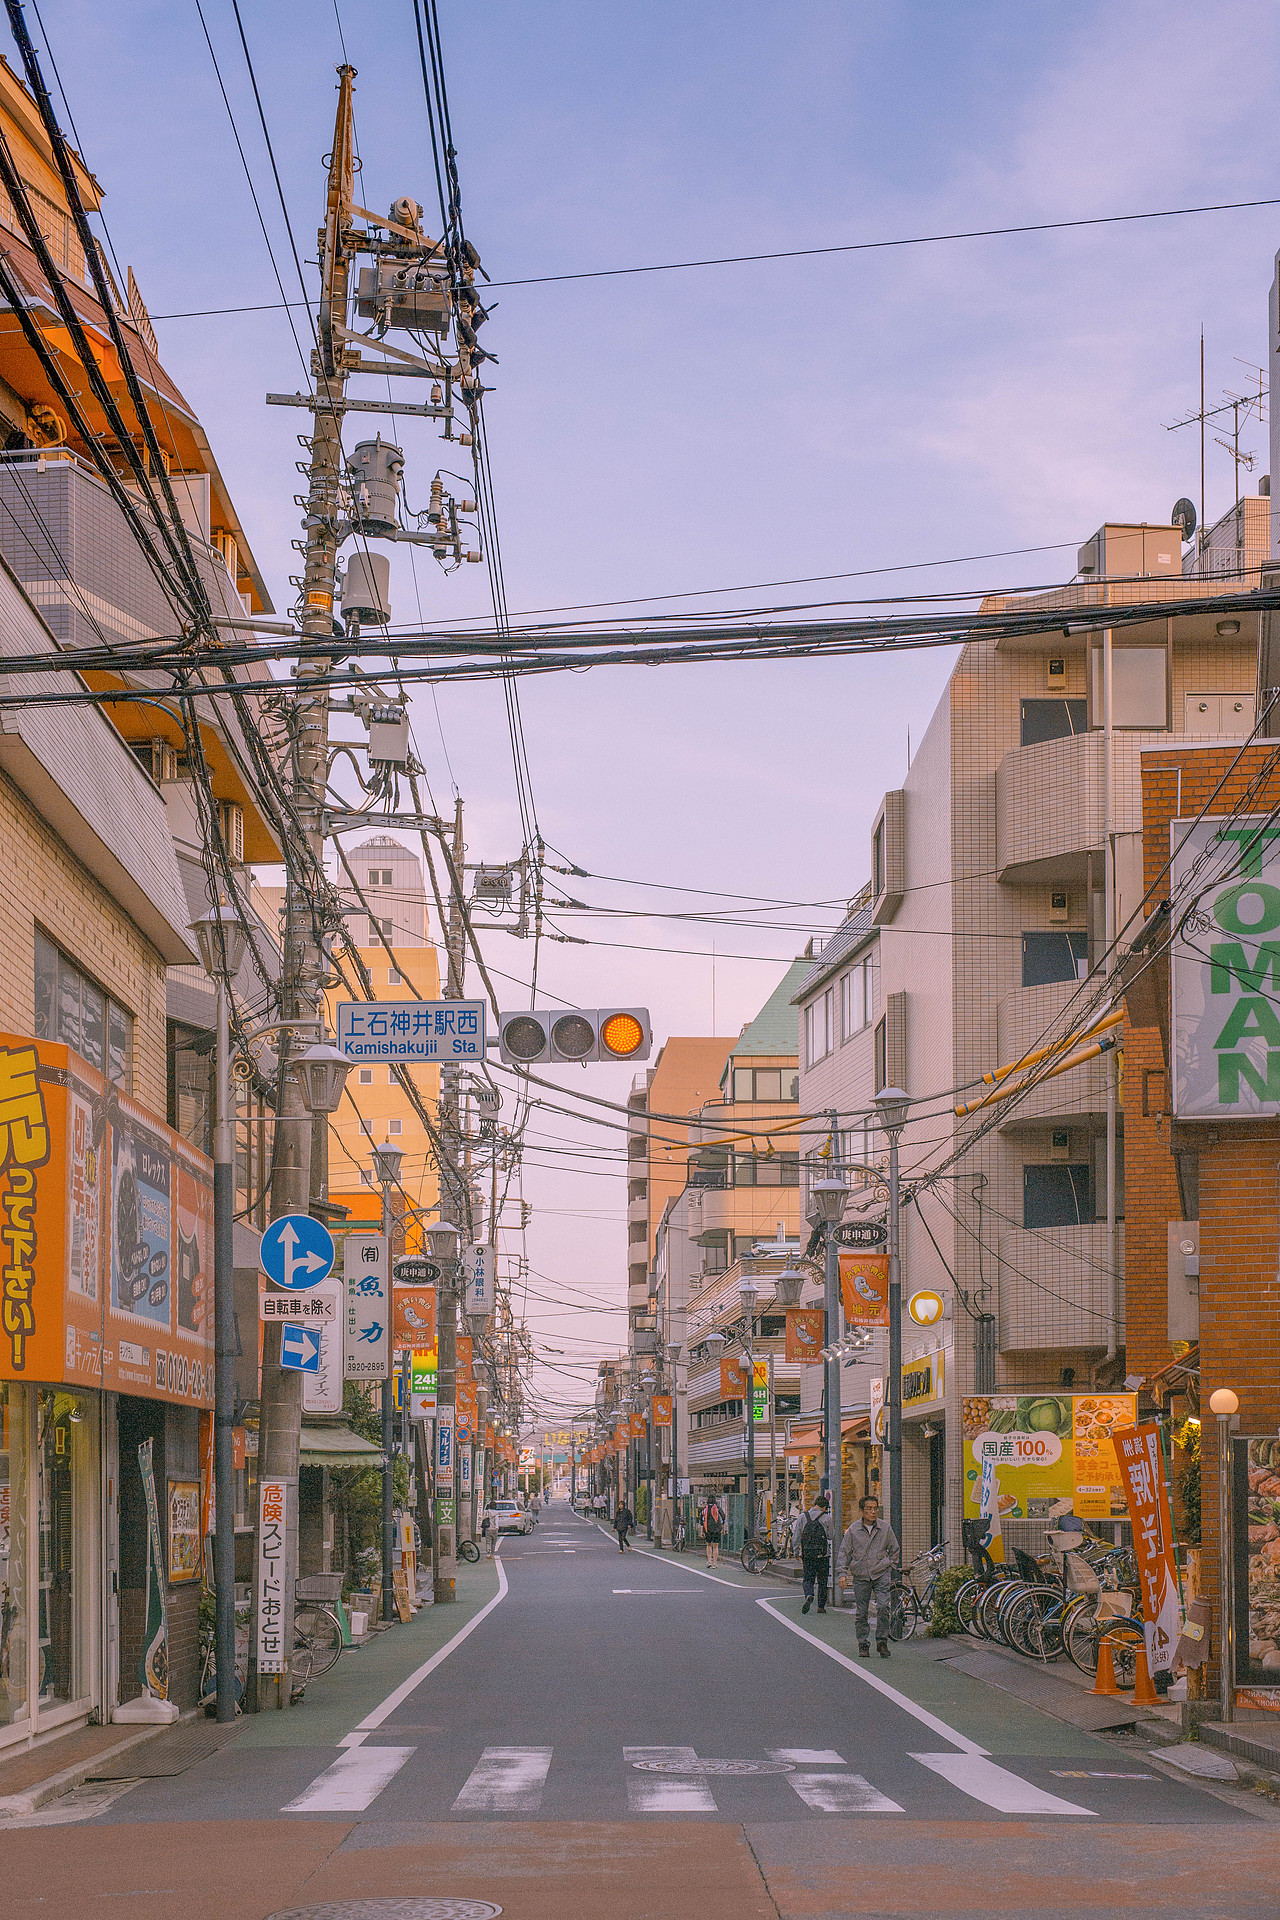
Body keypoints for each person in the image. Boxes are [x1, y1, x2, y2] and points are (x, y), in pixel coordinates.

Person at [836, 1493, 900, 1658]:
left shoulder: (885, 1528)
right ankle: (863, 1644)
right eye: (869, 1509)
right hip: (861, 1575)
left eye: (875, 1508)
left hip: (880, 1574)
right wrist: (842, 1574)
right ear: (862, 1512)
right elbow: (844, 1552)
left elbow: (895, 1550)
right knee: (862, 1612)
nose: (873, 1512)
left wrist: (888, 1565)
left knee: (884, 1607)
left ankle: (882, 1642)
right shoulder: (853, 1530)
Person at [799, 1494, 832, 1614]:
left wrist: (797, 1551)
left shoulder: (803, 1516)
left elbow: (797, 1537)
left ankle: (809, 1594)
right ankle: (821, 1606)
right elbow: (830, 1536)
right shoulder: (826, 1518)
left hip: (807, 1553)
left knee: (808, 1578)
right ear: (824, 1507)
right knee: (822, 1580)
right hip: (822, 1554)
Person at [703, 1495, 724, 1566]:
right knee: (715, 1546)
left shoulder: (705, 1509)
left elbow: (701, 1519)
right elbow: (723, 1516)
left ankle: (709, 1561)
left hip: (707, 1529)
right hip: (716, 1529)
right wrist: (722, 1526)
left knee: (708, 1545)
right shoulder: (717, 1508)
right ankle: (715, 1563)